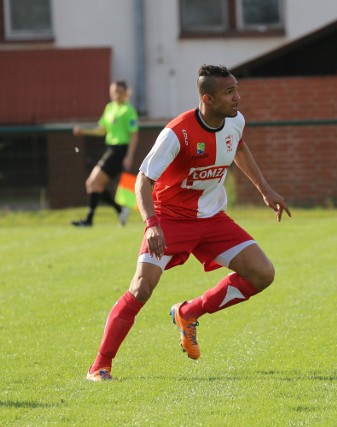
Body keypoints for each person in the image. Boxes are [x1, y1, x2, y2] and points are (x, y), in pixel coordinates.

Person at [86, 64, 291, 382]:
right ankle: (100, 365)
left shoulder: (235, 121)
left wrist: (265, 189)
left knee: (263, 273)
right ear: (208, 98)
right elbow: (142, 181)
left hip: (212, 219)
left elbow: (238, 147)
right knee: (141, 288)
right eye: (229, 92)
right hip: (169, 220)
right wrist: (151, 223)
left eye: (236, 89)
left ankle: (189, 311)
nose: (238, 97)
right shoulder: (177, 132)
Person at [71, 80, 139, 227]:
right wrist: (83, 131)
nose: (116, 95)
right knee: (94, 185)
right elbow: (102, 129)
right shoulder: (109, 107)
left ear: (125, 93)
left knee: (92, 183)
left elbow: (134, 135)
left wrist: (129, 156)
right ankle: (117, 211)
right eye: (114, 91)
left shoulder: (128, 110)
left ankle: (92, 219)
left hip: (119, 150)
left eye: (120, 92)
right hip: (110, 149)